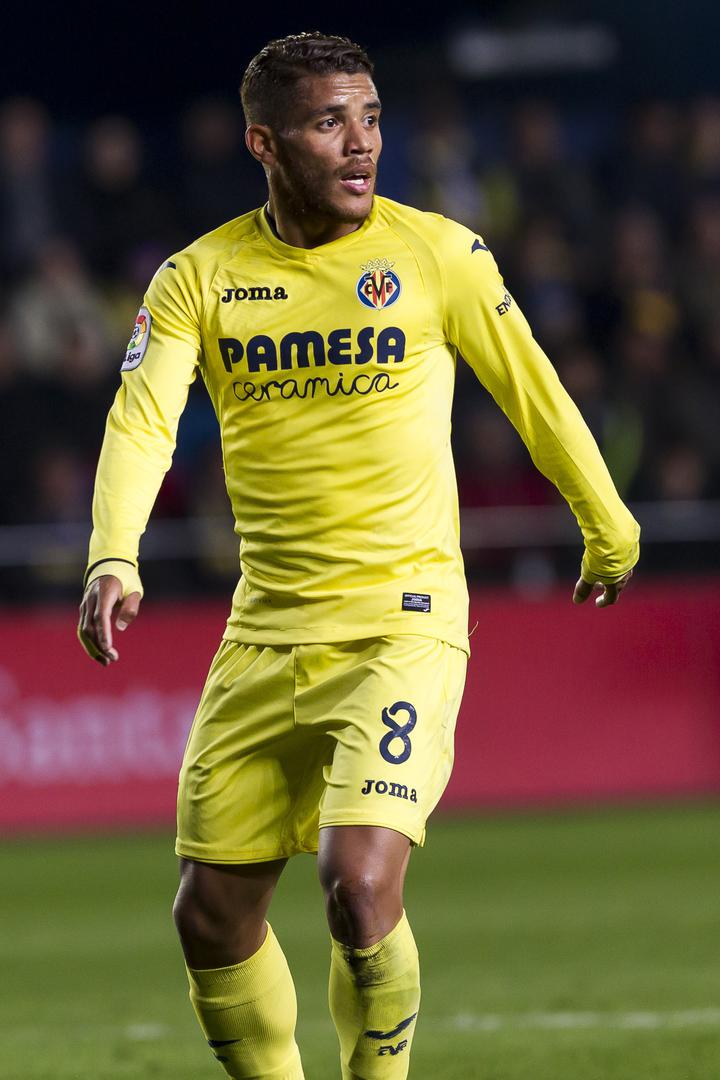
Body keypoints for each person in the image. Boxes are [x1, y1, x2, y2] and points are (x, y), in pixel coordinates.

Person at [77, 32, 639, 1080]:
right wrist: (116, 555)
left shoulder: (439, 255)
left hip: (401, 621)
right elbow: (141, 420)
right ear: (264, 143)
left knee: (359, 881)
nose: (361, 143)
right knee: (208, 914)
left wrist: (608, 523)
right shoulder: (199, 277)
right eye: (329, 122)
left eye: (371, 118)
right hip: (265, 633)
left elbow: (535, 392)